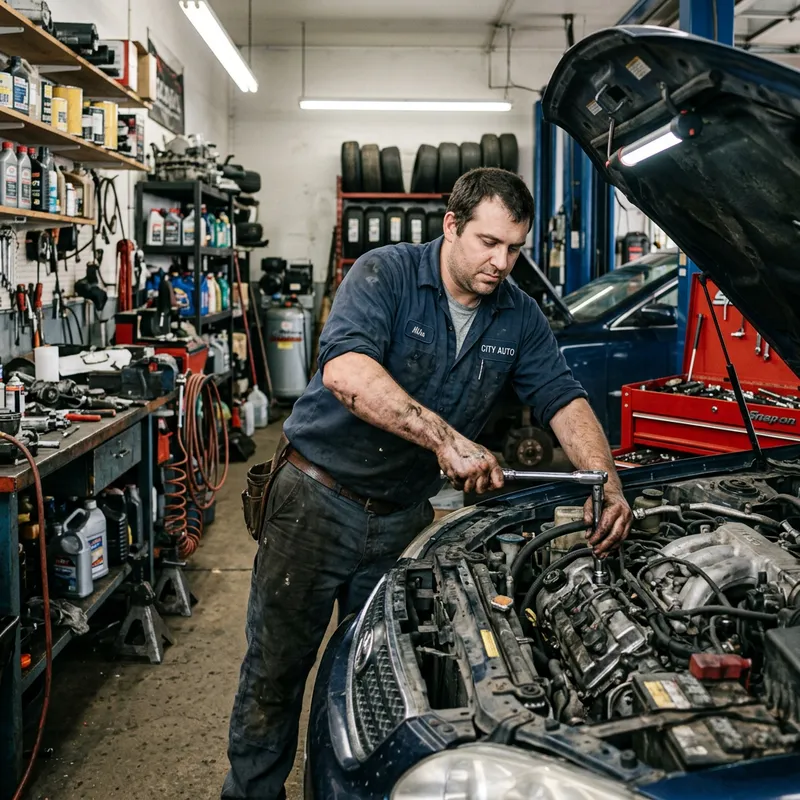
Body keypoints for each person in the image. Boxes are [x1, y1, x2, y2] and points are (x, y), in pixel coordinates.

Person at [222, 168, 632, 799]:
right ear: (450, 226)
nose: (502, 262)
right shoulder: (385, 274)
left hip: (400, 519)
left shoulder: (516, 317)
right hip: (315, 502)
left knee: (378, 682)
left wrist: (601, 478)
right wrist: (445, 440)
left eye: (514, 248)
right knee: (276, 673)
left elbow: (562, 397)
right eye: (488, 243)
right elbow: (346, 372)